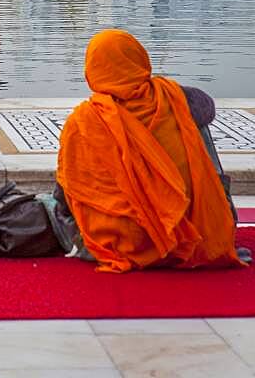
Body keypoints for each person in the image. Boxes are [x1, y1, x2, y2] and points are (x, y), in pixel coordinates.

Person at [55, 29, 244, 273]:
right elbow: (207, 121)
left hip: (125, 243)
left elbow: (67, 192)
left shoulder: (85, 121)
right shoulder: (175, 98)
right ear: (140, 59)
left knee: (53, 208)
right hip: (193, 233)